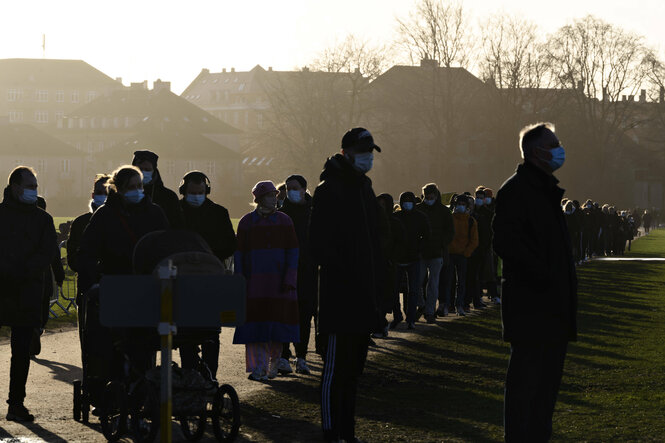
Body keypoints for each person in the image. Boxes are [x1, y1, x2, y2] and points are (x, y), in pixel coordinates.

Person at [493, 122, 577, 442]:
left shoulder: (544, 190)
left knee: (545, 392)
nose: (559, 149)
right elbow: (506, 243)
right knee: (525, 388)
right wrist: (543, 277)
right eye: (553, 144)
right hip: (532, 307)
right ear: (534, 152)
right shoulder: (516, 191)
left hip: (551, 306)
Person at [310, 127, 384, 443]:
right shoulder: (330, 190)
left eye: (369, 152)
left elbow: (376, 241)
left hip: (363, 296)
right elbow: (319, 245)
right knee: (335, 372)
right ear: (346, 153)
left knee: (353, 372)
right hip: (340, 297)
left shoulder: (364, 189)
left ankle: (347, 431)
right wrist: (347, 274)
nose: (367, 157)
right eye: (362, 151)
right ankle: (331, 431)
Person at [76, 166, 169, 376]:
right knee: (113, 344)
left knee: (144, 345)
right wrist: (92, 283)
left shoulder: (154, 213)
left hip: (147, 286)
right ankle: (113, 388)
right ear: (118, 189)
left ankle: (142, 388)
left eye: (139, 186)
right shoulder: (105, 215)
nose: (137, 190)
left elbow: (165, 245)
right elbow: (88, 251)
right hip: (115, 285)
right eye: (131, 187)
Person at [0, 166, 57, 422]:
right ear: (15, 187)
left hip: (27, 289)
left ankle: (16, 403)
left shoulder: (42, 218)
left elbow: (47, 252)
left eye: (36, 186)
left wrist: (24, 269)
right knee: (19, 351)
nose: (34, 191)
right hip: (6, 286)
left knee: (21, 352)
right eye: (30, 186)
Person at [232, 181, 300, 381]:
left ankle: (273, 365)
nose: (275, 199)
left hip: (280, 284)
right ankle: (258, 368)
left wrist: (290, 278)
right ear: (260, 199)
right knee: (256, 328)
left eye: (275, 195)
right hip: (255, 284)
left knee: (277, 327)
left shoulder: (285, 221)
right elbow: (240, 253)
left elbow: (293, 251)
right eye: (271, 195)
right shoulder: (246, 222)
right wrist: (240, 279)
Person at [178, 170, 237, 378]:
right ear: (184, 191)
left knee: (210, 333)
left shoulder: (219, 212)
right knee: (185, 335)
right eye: (192, 192)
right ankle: (189, 376)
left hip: (211, 279)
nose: (196, 195)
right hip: (182, 280)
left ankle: (210, 378)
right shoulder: (176, 211)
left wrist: (208, 255)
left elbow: (231, 244)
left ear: (207, 191)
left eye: (200, 191)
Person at [276, 174, 317, 375]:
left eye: (294, 187)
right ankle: (284, 355)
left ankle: (301, 356)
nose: (290, 191)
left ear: (303, 189)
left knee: (304, 313)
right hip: (284, 270)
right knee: (284, 313)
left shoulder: (314, 213)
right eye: (287, 187)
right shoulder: (281, 214)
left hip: (308, 270)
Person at [416, 183, 454, 323]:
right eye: (426, 195)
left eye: (431, 195)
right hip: (421, 252)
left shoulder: (443, 211)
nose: (429, 197)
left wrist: (442, 243)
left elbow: (450, 231)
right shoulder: (419, 209)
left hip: (437, 252)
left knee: (433, 284)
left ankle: (429, 311)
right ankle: (422, 305)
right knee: (418, 282)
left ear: (436, 195)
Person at [394, 192, 430, 329]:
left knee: (414, 290)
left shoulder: (420, 217)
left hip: (414, 258)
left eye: (410, 201)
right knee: (394, 290)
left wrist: (419, 248)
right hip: (398, 259)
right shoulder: (396, 217)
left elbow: (427, 235)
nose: (407, 203)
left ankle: (410, 318)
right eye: (405, 201)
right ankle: (397, 316)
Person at [442, 195, 478, 316]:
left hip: (463, 255)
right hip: (450, 254)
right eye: (459, 204)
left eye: (463, 205)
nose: (460, 207)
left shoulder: (471, 221)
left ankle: (459, 305)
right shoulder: (449, 218)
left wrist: (467, 252)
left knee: (461, 282)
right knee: (448, 281)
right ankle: (448, 305)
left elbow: (474, 240)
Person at [132, 150, 184, 228]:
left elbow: (177, 225)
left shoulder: (168, 197)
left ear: (154, 171)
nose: (142, 172)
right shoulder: (124, 194)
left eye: (147, 170)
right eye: (139, 169)